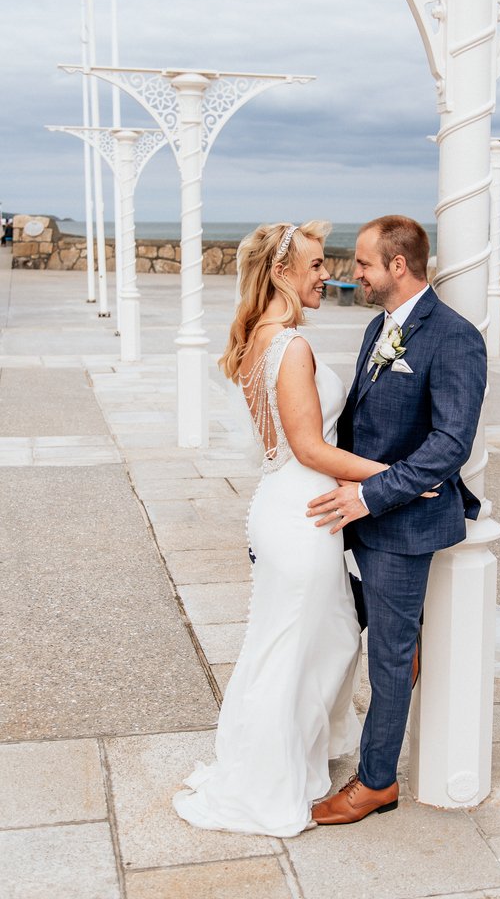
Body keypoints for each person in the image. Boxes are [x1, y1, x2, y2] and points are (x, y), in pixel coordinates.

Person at [173, 221, 394, 837]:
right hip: (304, 514)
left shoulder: (255, 340)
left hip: (286, 504)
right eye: (318, 264)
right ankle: (264, 782)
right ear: (281, 272)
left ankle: (288, 760)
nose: (330, 274)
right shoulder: (290, 346)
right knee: (292, 650)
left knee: (323, 640)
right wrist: (397, 475)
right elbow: (310, 447)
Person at [306, 215, 487, 826]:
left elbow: (449, 445)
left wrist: (371, 495)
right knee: (338, 621)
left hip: (403, 522)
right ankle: (405, 634)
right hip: (359, 512)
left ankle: (377, 782)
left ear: (397, 267)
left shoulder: (454, 337)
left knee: (386, 658)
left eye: (361, 264)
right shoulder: (378, 327)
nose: (350, 274)